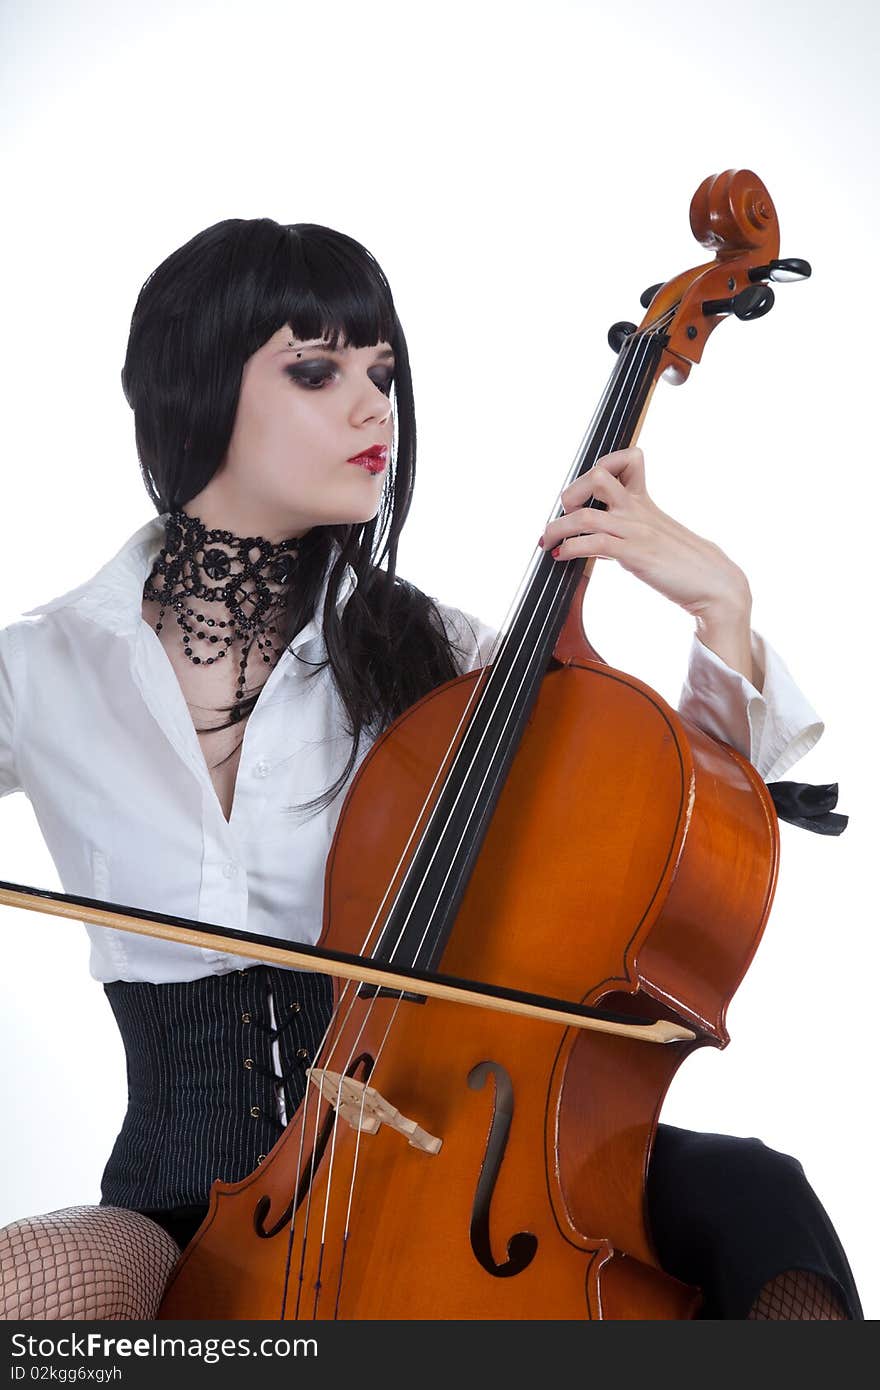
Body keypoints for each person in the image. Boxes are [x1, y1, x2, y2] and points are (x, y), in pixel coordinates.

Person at [0, 218, 862, 1321]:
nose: (375, 409)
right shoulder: (40, 667)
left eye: (383, 374)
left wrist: (720, 610)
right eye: (317, 372)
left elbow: (670, 818)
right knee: (36, 1290)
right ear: (196, 386)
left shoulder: (438, 662)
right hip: (185, 1204)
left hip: (453, 1165)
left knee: (753, 1193)